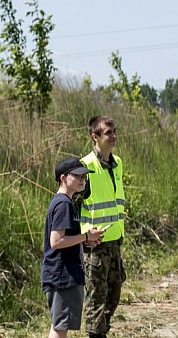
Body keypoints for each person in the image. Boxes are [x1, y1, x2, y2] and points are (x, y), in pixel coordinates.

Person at [42, 158, 104, 338]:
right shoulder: (63, 204)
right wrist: (85, 236)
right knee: (60, 327)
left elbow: (64, 239)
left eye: (84, 176)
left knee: (58, 325)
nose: (83, 180)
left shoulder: (64, 202)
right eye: (78, 176)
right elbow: (56, 241)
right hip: (62, 276)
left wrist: (85, 240)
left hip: (61, 274)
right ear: (63, 178)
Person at [77, 116, 126, 338]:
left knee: (114, 294)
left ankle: (101, 331)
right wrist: (83, 236)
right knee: (96, 298)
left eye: (114, 131)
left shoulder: (117, 163)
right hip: (95, 245)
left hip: (115, 240)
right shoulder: (84, 166)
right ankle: (96, 335)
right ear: (94, 137)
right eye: (107, 132)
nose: (113, 135)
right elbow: (71, 206)